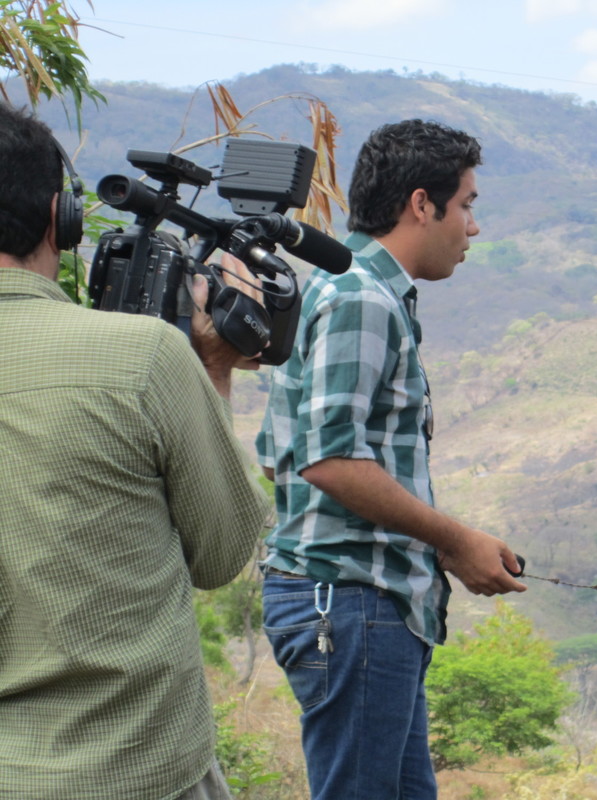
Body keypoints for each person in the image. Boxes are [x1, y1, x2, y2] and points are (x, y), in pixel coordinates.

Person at [0, 103, 270, 799]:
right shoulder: (143, 359)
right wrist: (210, 368)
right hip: (134, 774)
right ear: (62, 218)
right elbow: (221, 551)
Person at [256, 118, 526, 799]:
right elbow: (328, 460)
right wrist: (454, 539)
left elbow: (279, 457)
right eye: (465, 204)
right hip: (350, 602)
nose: (472, 227)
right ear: (420, 204)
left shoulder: (348, 290)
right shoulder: (360, 300)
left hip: (360, 603)